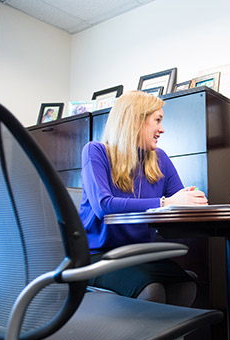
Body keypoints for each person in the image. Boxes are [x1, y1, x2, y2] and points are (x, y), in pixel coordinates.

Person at [79, 90, 208, 307]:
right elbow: (104, 206)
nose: (162, 129)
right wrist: (166, 203)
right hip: (98, 256)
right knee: (151, 289)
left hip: (139, 255)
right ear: (135, 120)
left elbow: (180, 201)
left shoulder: (160, 159)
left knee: (185, 284)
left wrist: (193, 200)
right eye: (157, 120)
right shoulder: (95, 152)